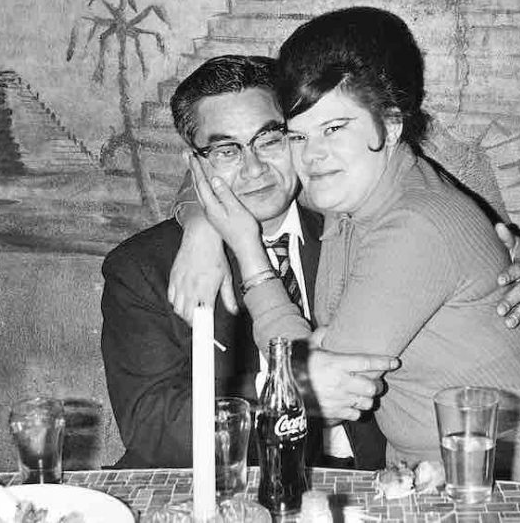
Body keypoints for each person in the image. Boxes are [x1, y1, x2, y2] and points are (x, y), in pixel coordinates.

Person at [188, 9, 520, 494]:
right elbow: (229, 161)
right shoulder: (355, 191)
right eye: (298, 135)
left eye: (334, 128)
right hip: (442, 475)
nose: (311, 155)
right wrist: (199, 224)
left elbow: (322, 389)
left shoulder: (412, 222)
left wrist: (247, 251)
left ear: (390, 124)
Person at [101, 55, 401, 469]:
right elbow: (151, 424)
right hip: (225, 481)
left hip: (362, 479)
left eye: (269, 140)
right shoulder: (142, 269)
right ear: (195, 164)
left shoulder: (360, 233)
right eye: (227, 150)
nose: (255, 168)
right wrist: (287, 396)